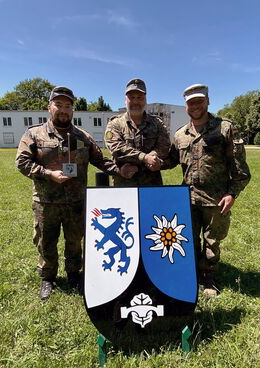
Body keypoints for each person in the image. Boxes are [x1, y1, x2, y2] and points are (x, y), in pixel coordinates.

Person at [15, 86, 121, 300]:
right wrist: (47, 173)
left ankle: (74, 275)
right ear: (49, 107)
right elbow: (22, 162)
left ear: (73, 110)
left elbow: (100, 160)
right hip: (46, 202)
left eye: (68, 106)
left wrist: (121, 170)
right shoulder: (34, 134)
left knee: (75, 241)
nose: (63, 110)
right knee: (46, 241)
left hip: (76, 202)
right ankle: (48, 277)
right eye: (59, 105)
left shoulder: (83, 137)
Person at [163, 84, 251, 295]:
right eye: (191, 102)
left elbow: (240, 169)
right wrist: (149, 161)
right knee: (187, 240)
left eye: (199, 101)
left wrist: (232, 194)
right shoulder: (180, 135)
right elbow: (171, 160)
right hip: (188, 199)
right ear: (186, 106)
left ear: (208, 101)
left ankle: (209, 279)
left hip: (216, 199)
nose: (195, 106)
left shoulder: (225, 128)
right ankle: (190, 276)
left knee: (212, 242)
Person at [104, 78, 171, 186]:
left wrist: (153, 157)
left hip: (151, 186)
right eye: (132, 97)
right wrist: (144, 158)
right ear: (125, 100)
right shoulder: (115, 124)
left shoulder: (157, 123)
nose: (135, 101)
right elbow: (116, 148)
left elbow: (164, 146)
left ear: (145, 100)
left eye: (140, 97)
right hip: (124, 187)